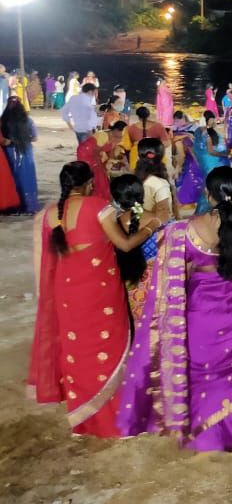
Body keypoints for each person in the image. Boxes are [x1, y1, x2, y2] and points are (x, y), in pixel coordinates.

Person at [117, 167, 232, 453]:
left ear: (208, 195)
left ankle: (205, 437)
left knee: (204, 376)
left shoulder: (185, 230)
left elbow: (178, 281)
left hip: (202, 318)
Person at [29, 162, 159, 436]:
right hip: (100, 293)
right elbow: (124, 244)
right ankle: (116, 420)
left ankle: (84, 420)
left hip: (67, 293)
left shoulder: (48, 214)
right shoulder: (98, 207)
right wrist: (152, 226)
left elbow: (43, 266)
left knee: (78, 352)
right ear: (88, 183)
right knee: (108, 348)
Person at [110, 173, 160, 327]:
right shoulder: (161, 221)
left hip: (126, 285)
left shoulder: (110, 225)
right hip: (157, 286)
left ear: (116, 199)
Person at [1, 98, 39, 213]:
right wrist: (25, 139)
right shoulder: (28, 120)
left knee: (13, 179)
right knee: (27, 178)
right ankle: (30, 206)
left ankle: (15, 204)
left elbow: (3, 140)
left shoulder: (3, 121)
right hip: (25, 151)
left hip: (9, 152)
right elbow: (35, 138)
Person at [135, 138, 173, 225]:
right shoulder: (159, 184)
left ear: (138, 156)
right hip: (155, 232)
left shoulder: (136, 179)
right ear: (162, 156)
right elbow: (163, 217)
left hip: (139, 228)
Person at [123, 105, 169, 170]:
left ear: (137, 116)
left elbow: (127, 147)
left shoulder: (130, 128)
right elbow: (166, 144)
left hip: (137, 160)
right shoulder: (158, 126)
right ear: (149, 115)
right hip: (156, 160)